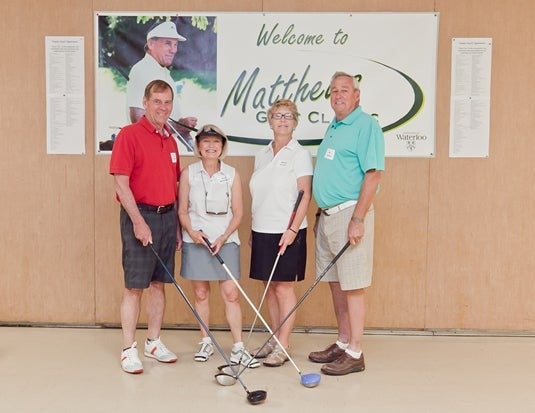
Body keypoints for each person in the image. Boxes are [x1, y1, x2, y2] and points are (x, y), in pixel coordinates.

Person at [308, 71, 385, 375]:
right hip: (328, 216)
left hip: (349, 214)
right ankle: (342, 342)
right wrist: (319, 213)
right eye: (334, 91)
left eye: (344, 90)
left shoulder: (366, 125)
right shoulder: (335, 125)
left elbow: (374, 174)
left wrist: (358, 219)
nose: (338, 95)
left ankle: (356, 351)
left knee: (352, 285)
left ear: (357, 95)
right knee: (336, 284)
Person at [110, 79, 182, 374]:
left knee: (158, 284)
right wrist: (139, 223)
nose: (163, 108)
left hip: (167, 218)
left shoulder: (171, 140)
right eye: (157, 102)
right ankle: (129, 349)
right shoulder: (129, 135)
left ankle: (153, 342)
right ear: (146, 102)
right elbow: (120, 183)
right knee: (134, 286)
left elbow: (173, 184)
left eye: (167, 103)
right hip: (139, 215)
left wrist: (175, 225)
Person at [178, 124, 260, 369]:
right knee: (201, 293)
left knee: (231, 295)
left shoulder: (232, 174)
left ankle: (238, 347)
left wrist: (223, 237)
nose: (211, 146)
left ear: (223, 146)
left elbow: (238, 212)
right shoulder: (189, 173)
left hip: (225, 241)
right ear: (199, 146)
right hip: (197, 241)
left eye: (216, 142)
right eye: (206, 142)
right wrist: (193, 232)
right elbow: (182, 210)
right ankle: (205, 341)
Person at [249, 99, 313, 367]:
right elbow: (260, 192)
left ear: (295, 122)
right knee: (269, 287)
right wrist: (254, 226)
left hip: (287, 231)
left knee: (284, 287)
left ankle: (283, 345)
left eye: (289, 116)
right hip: (261, 228)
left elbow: (304, 194)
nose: (283, 120)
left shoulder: (299, 154)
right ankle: (274, 338)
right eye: (278, 115)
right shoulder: (262, 154)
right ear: (270, 120)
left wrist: (291, 229)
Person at [126, 20, 197, 151]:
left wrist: (192, 145)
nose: (173, 50)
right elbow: (137, 120)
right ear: (151, 43)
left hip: (166, 149)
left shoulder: (164, 73)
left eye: (175, 45)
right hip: (148, 151)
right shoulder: (141, 70)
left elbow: (174, 123)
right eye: (167, 43)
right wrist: (181, 126)